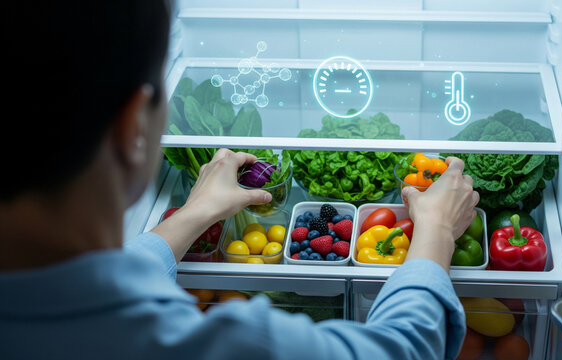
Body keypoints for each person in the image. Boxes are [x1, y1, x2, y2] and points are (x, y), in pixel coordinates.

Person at [0, 1, 479, 359]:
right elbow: (404, 348)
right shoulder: (231, 344)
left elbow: (99, 284)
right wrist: (436, 230)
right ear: (133, 132)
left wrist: (193, 213)